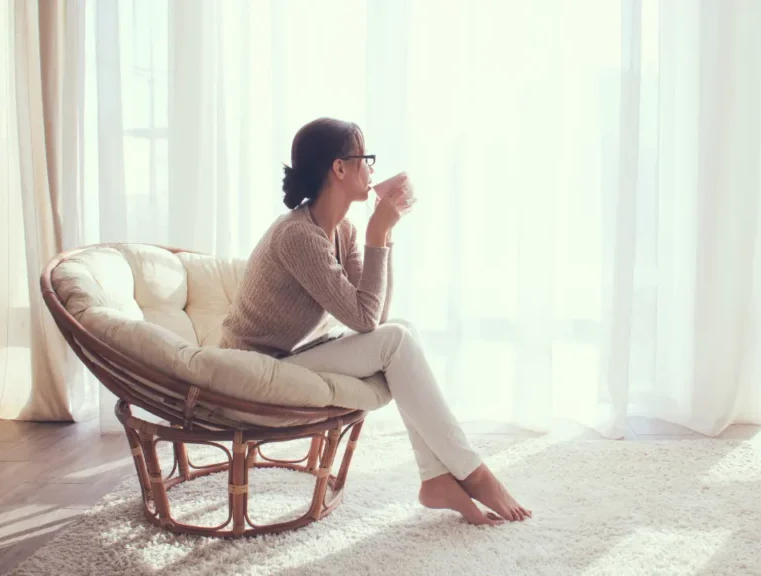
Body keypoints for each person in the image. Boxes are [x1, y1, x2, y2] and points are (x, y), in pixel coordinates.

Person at [220, 117, 530, 526]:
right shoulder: (298, 236)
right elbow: (368, 320)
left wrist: (383, 236)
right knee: (396, 339)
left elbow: (376, 316)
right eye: (366, 158)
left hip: (292, 355)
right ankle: (472, 473)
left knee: (402, 330)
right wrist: (378, 228)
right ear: (340, 168)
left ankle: (436, 478)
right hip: (256, 368)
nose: (373, 169)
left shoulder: (340, 230)